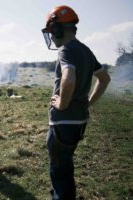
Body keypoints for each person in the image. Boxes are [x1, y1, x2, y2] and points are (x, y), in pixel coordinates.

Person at [41, 5, 110, 199]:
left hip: (63, 123)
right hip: (79, 121)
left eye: (51, 32)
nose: (52, 37)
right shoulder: (86, 51)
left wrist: (62, 104)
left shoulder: (65, 50)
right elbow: (104, 78)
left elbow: (68, 78)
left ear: (57, 28)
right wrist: (88, 102)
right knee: (65, 165)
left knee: (59, 171)